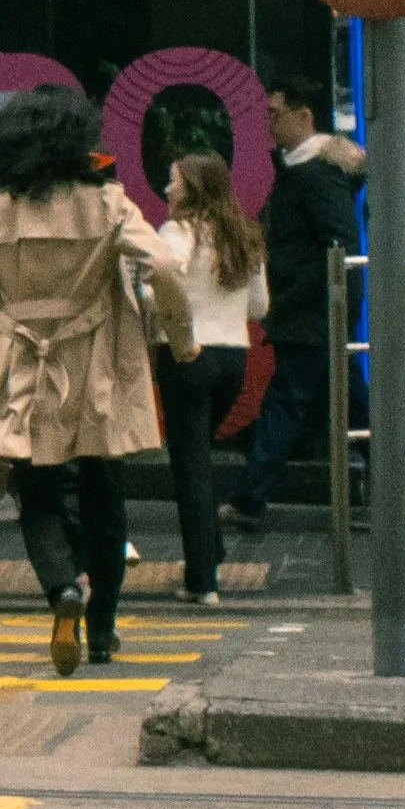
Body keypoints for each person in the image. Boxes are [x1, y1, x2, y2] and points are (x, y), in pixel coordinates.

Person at [0, 84, 179, 675]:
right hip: (97, 364)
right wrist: (182, 338)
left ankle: (61, 591)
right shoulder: (107, 203)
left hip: (25, 367)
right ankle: (102, 632)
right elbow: (167, 267)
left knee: (40, 497)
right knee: (105, 495)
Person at [222, 70, 364, 534]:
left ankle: (251, 496)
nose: (269, 122)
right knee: (348, 399)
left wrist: (290, 297)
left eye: (275, 114)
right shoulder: (305, 169)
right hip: (316, 305)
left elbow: (336, 244)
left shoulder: (315, 174)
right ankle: (403, 481)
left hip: (311, 308)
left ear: (304, 116)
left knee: (287, 400)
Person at [149, 148, 262, 603]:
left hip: (186, 354)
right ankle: (210, 553)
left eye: (173, 180)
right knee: (201, 458)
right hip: (233, 356)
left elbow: (160, 281)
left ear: (192, 187)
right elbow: (260, 307)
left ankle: (202, 581)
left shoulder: (175, 233)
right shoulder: (244, 236)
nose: (166, 188)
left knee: (190, 468)